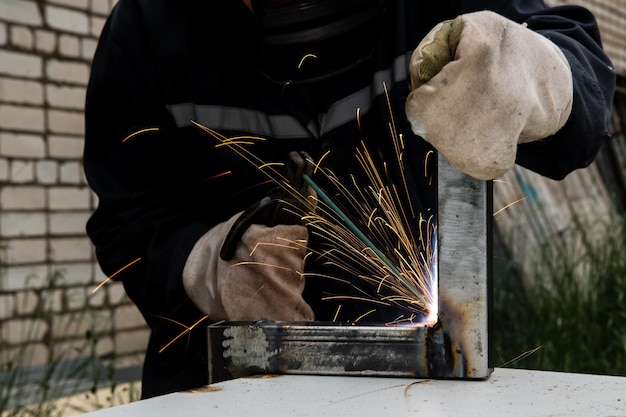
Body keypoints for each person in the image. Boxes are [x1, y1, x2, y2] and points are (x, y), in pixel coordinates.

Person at [83, 0, 615, 398]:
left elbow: (586, 80)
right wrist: (204, 266)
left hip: (428, 387)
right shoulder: (149, 27)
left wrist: (539, 72)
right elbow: (126, 220)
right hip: (223, 390)